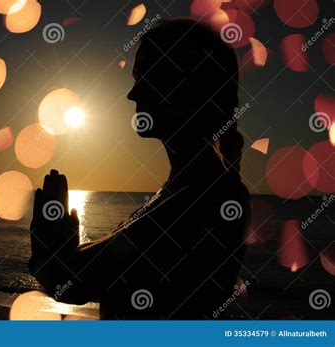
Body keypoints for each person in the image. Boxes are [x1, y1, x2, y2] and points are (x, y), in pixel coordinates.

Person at [29, 18, 251, 319]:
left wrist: (50, 239)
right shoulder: (191, 190)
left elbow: (70, 281)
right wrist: (61, 245)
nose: (133, 94)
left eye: (146, 76)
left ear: (184, 85)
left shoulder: (204, 197)